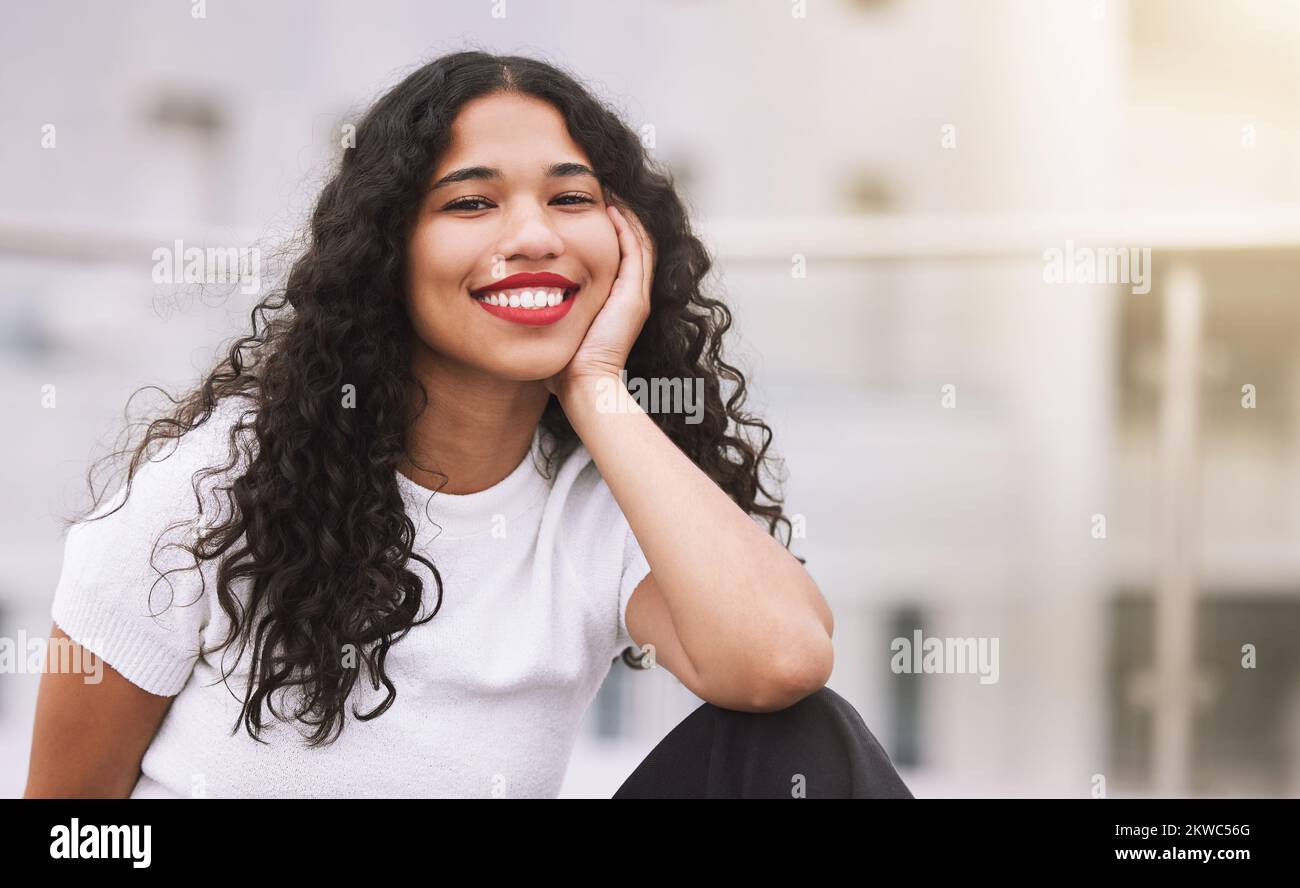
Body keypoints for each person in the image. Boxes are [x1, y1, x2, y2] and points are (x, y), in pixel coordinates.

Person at [24, 50, 911, 799]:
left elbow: (781, 662)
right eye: (470, 203)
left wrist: (599, 391)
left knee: (803, 745)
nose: (532, 235)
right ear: (386, 255)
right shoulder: (210, 488)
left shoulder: (597, 503)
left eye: (571, 200)